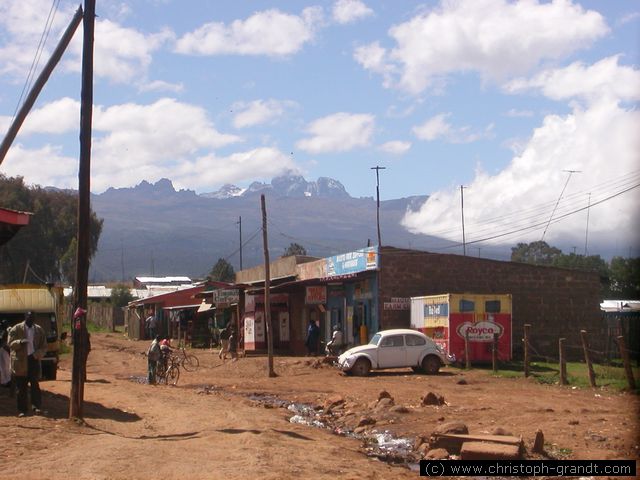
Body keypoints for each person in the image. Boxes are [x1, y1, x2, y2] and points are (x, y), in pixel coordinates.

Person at [7, 312, 47, 417]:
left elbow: (44, 347)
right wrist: (20, 342)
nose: (31, 319)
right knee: (21, 387)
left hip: (33, 360)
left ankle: (36, 407)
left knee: (35, 385)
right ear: (25, 317)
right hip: (20, 361)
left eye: (33, 317)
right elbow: (10, 344)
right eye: (29, 317)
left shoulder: (39, 330)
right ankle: (22, 410)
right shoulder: (16, 329)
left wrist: (37, 354)